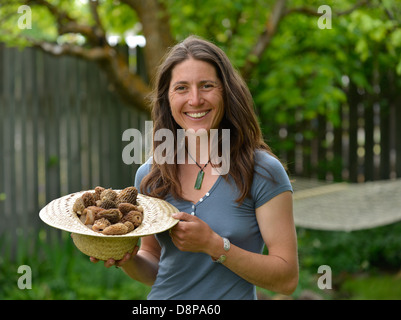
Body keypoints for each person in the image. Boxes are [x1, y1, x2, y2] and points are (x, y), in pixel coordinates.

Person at [92, 35, 298, 300]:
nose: (195, 99)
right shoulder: (151, 175)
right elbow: (155, 264)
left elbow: (287, 279)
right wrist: (128, 259)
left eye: (207, 85)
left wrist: (215, 246)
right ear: (167, 98)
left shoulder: (262, 172)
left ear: (226, 91)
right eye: (181, 88)